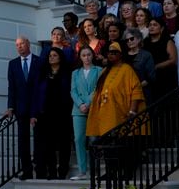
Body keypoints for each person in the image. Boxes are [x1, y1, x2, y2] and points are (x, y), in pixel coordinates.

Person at [86, 42, 145, 138]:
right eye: (109, 53)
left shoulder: (127, 69)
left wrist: (132, 111)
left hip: (120, 114)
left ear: (121, 54)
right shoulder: (105, 70)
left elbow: (136, 91)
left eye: (114, 52)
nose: (110, 54)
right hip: (103, 115)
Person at [31, 48, 73, 180]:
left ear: (60, 57)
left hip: (63, 114)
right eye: (50, 56)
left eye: (54, 55)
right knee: (48, 145)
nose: (51, 57)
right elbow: (36, 94)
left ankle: (62, 172)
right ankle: (52, 172)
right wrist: (34, 113)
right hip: (45, 114)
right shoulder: (43, 73)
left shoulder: (67, 73)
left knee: (64, 145)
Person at [5, 36, 42, 179]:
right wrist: (10, 107)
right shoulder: (13, 64)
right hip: (21, 108)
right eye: (17, 45)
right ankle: (27, 171)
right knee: (23, 141)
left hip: (37, 107)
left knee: (39, 139)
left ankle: (40, 169)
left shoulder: (39, 61)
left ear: (28, 44)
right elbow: (11, 87)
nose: (19, 47)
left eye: (21, 44)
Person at [70, 46, 102, 180]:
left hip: (94, 108)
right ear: (80, 57)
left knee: (94, 139)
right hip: (78, 110)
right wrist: (81, 104)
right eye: (84, 55)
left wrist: (88, 103)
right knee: (79, 139)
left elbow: (98, 89)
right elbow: (73, 91)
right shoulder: (75, 73)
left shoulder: (99, 70)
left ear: (92, 55)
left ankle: (95, 170)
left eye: (89, 55)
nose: (87, 58)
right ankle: (83, 171)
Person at [144, 17, 178, 104]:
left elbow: (173, 60)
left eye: (155, 25)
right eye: (150, 25)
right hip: (151, 78)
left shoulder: (167, 41)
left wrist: (156, 66)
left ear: (162, 28)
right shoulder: (145, 42)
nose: (151, 27)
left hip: (166, 77)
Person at [123, 28, 156, 104]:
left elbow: (151, 77)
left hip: (142, 93)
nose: (129, 41)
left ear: (139, 39)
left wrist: (135, 88)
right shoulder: (124, 56)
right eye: (127, 40)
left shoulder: (146, 55)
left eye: (131, 39)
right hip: (126, 94)